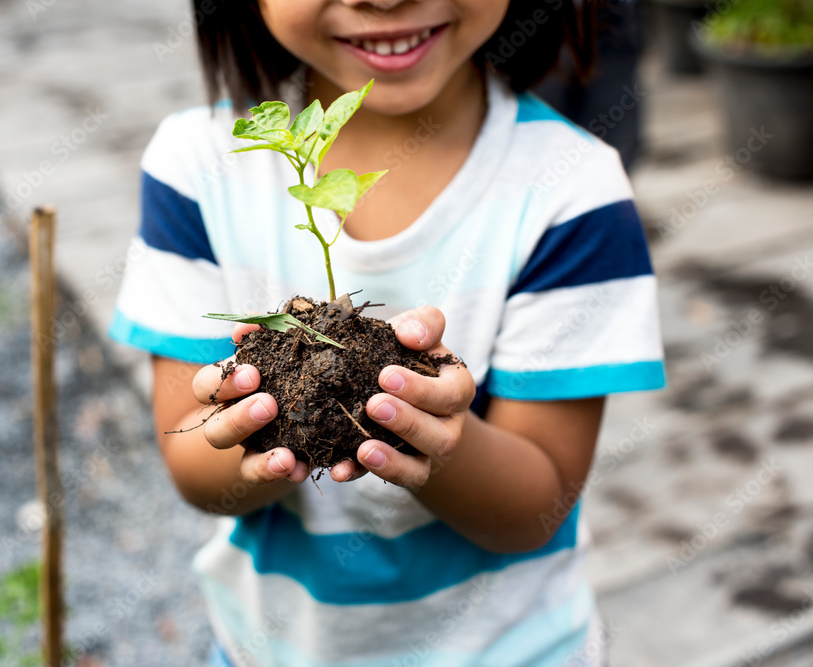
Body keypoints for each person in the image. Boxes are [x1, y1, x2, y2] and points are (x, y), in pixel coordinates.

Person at [110, 0, 665, 665]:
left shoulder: (572, 191)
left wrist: (440, 437)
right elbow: (195, 467)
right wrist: (262, 422)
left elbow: (533, 508)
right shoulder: (196, 166)